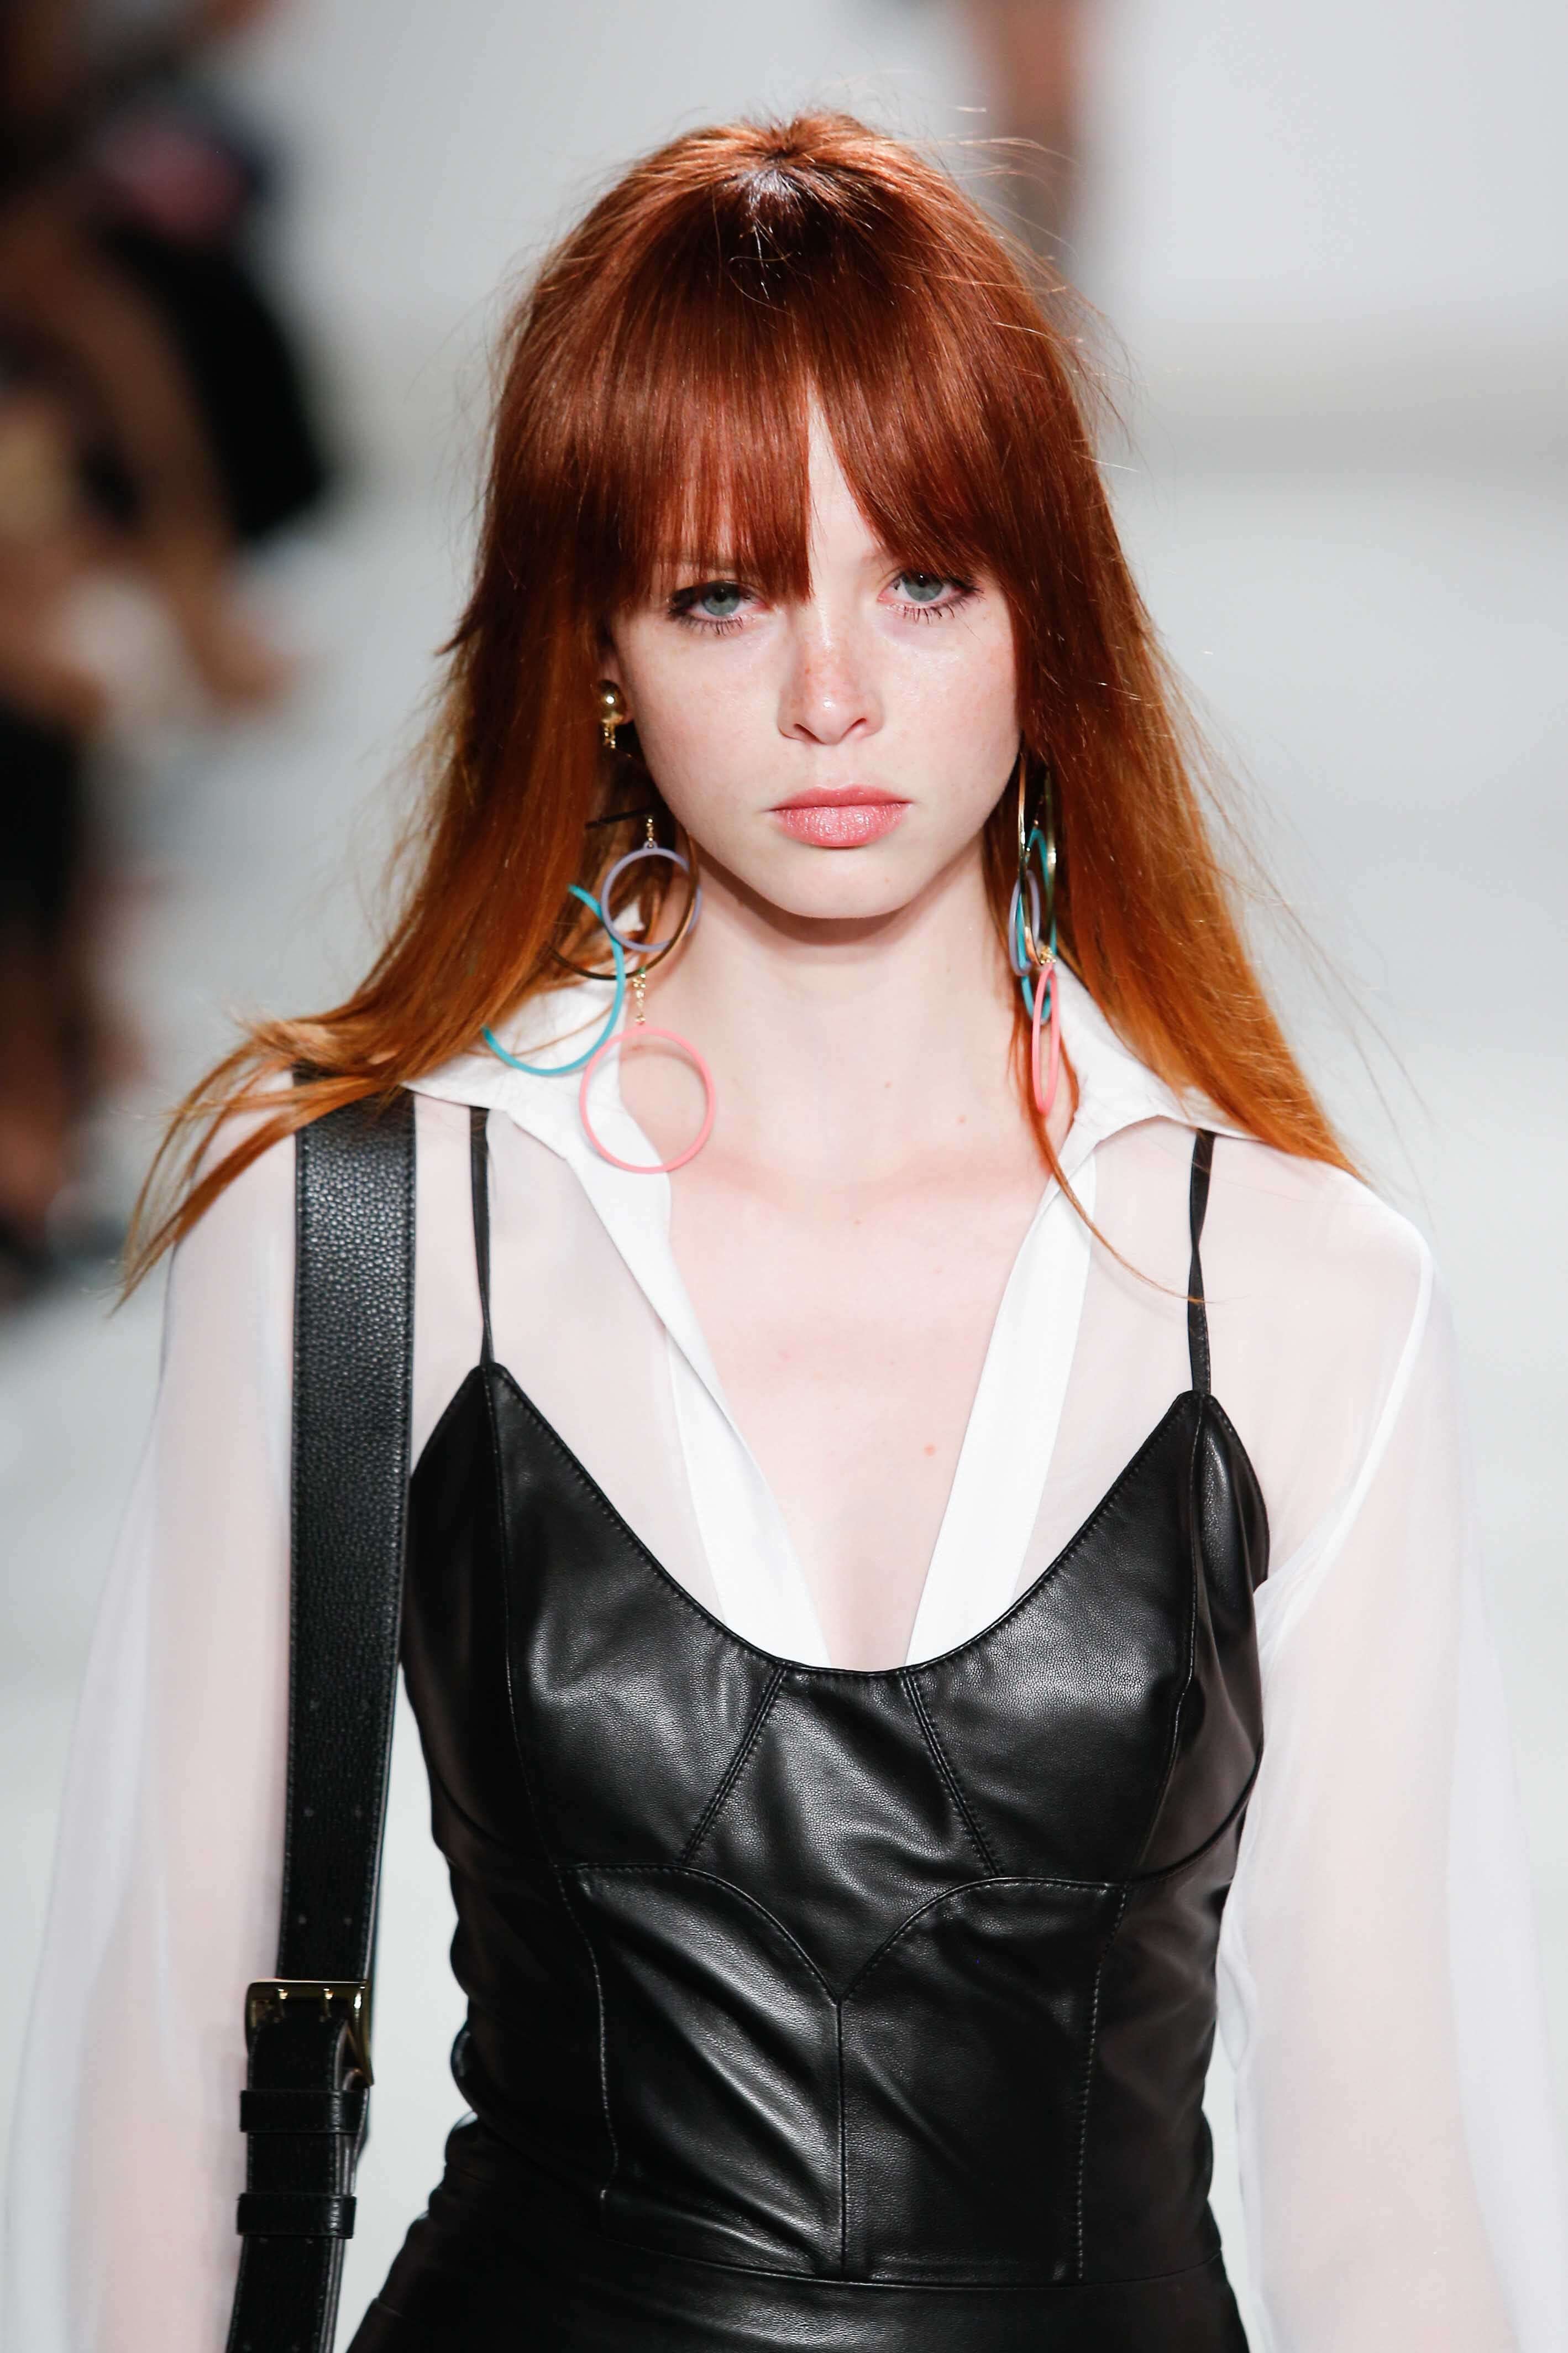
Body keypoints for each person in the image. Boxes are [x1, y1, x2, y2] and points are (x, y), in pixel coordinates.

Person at [7, 113, 1565, 2351]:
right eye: (723, 590)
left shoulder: (1306, 1300)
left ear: (1045, 616)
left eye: (922, 578)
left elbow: (1388, 2206)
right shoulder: (364, 1238)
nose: (833, 691)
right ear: (602, 646)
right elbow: (172, 2094)